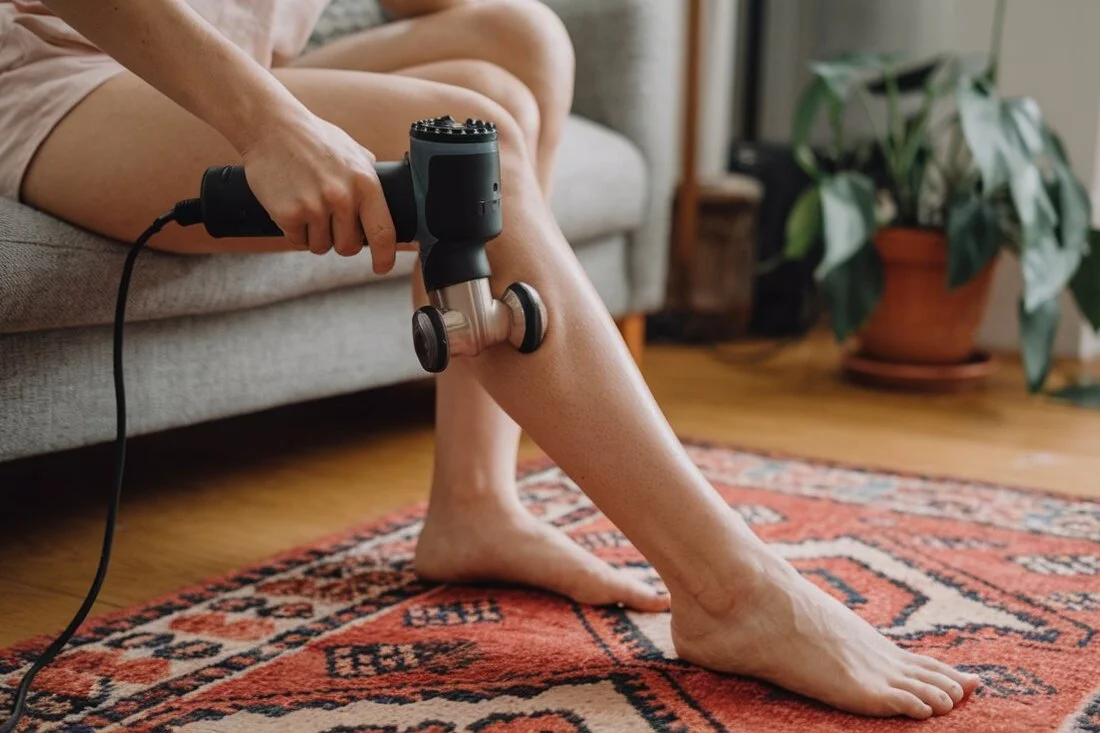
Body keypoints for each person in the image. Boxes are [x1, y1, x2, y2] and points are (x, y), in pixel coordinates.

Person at [0, 0, 980, 719]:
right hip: (62, 67)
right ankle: (728, 589)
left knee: (515, 43)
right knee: (473, 145)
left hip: (210, 56)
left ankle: (475, 501)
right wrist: (272, 125)